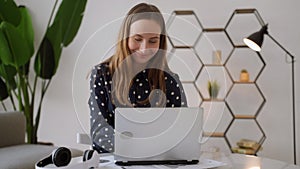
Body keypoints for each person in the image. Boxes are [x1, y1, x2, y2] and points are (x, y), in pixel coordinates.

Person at [88, 3, 187, 153]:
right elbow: (100, 134)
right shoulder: (102, 75)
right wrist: (147, 145)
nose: (144, 48)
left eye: (153, 41)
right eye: (137, 39)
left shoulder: (170, 80)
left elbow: (183, 132)